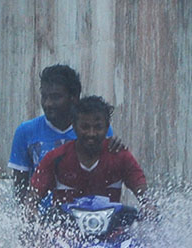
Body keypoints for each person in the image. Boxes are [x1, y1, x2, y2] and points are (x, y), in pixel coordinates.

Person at [8, 64, 116, 204]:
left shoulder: (95, 131)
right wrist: (29, 215)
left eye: (55, 97)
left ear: (74, 98)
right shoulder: (25, 132)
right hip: (41, 220)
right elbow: (20, 188)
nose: (47, 104)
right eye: (44, 97)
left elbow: (107, 178)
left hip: (86, 216)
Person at [28, 95, 150, 212]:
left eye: (98, 127)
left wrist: (148, 207)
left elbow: (142, 191)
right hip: (66, 231)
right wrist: (32, 212)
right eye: (85, 127)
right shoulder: (55, 158)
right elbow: (32, 198)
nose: (91, 134)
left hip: (113, 230)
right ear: (74, 126)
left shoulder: (120, 156)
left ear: (107, 127)